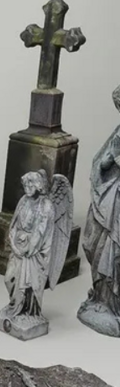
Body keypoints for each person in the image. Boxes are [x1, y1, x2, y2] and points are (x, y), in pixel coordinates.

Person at [78, 85, 120, 331]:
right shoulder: (118, 133)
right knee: (98, 244)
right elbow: (101, 163)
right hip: (110, 199)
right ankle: (104, 300)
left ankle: (114, 305)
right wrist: (108, 162)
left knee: (115, 249)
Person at [4, 171, 56, 318]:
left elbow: (41, 232)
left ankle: (27, 311)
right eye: (25, 185)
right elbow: (14, 225)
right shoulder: (23, 200)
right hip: (18, 248)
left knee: (29, 285)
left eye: (30, 184)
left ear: (38, 186)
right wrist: (14, 245)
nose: (27, 187)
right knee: (8, 279)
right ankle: (15, 305)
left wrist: (28, 249)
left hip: (33, 252)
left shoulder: (46, 205)